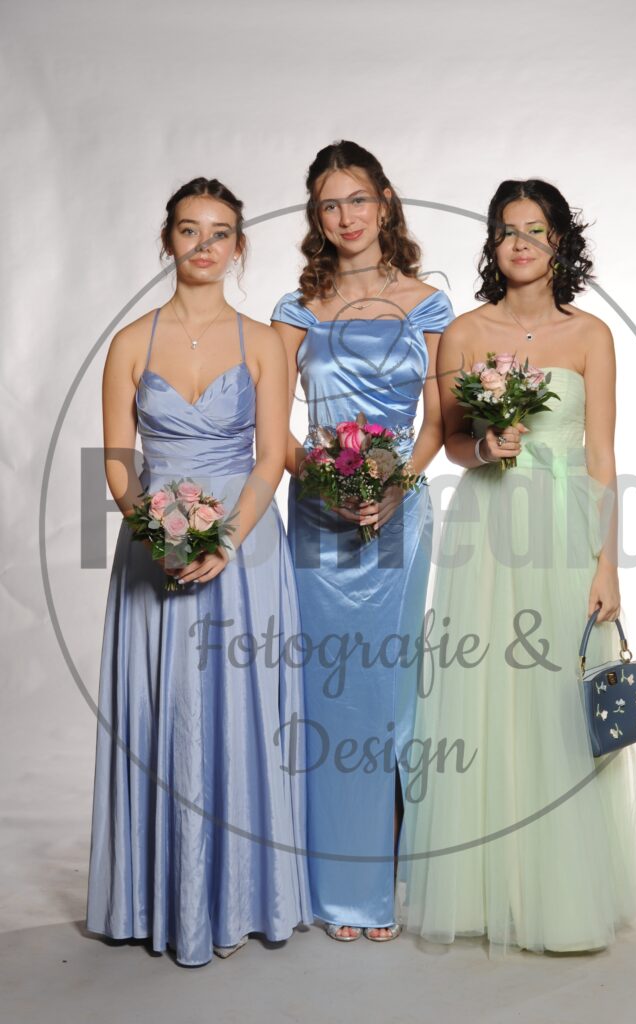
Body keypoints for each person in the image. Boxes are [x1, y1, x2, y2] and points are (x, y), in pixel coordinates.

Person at [400, 179, 636, 954]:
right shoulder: (465, 332)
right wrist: (485, 446)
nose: (521, 242)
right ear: (492, 243)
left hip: (565, 528)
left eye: (536, 229)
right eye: (508, 229)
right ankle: (490, 889)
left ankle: (564, 893)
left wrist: (608, 565)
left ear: (560, 242)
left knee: (555, 701)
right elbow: (450, 441)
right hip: (489, 526)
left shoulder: (591, 336)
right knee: (488, 699)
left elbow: (603, 455)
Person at [86, 177, 311, 967]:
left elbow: (271, 456)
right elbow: (118, 462)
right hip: (155, 546)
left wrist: (226, 540)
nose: (204, 245)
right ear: (168, 240)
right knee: (168, 711)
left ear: (239, 247)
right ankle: (158, 897)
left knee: (239, 712)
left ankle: (246, 894)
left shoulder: (262, 342)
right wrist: (154, 532)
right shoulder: (128, 343)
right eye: (190, 230)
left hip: (244, 549)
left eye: (220, 233)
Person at [271, 140, 454, 941]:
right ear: (317, 217)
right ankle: (329, 886)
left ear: (385, 203)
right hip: (318, 518)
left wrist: (393, 486)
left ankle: (377, 885)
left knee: (388, 696)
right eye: (329, 205)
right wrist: (318, 478)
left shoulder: (429, 306)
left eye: (357, 199)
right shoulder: (295, 310)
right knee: (324, 693)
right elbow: (270, 426)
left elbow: (438, 422)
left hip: (398, 513)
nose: (345, 217)